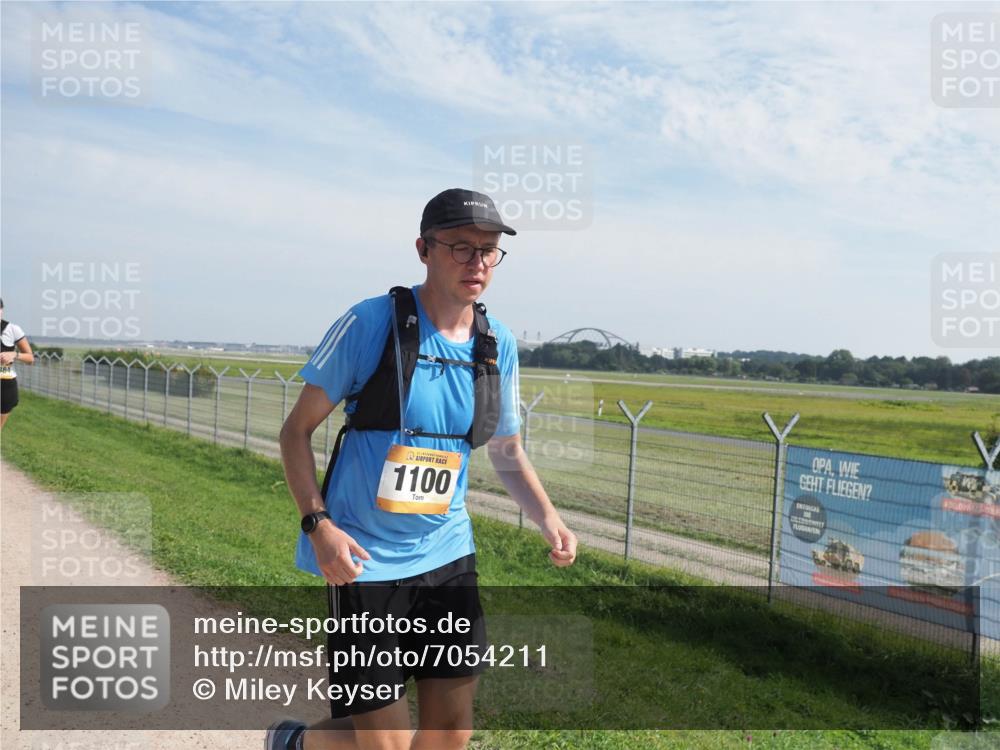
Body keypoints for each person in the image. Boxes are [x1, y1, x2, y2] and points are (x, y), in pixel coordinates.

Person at [274, 189, 578, 750]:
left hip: (447, 552)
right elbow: (295, 433)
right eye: (461, 248)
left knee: (449, 733)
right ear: (423, 249)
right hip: (363, 559)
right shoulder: (370, 322)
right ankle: (294, 745)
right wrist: (319, 526)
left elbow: (506, 450)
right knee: (383, 745)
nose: (478, 264)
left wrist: (549, 519)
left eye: (488, 252)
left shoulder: (496, 343)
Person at [0, 298, 35, 428]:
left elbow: (30, 358)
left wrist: (14, 354)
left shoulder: (12, 329)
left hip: (5, 386)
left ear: (2, 310)